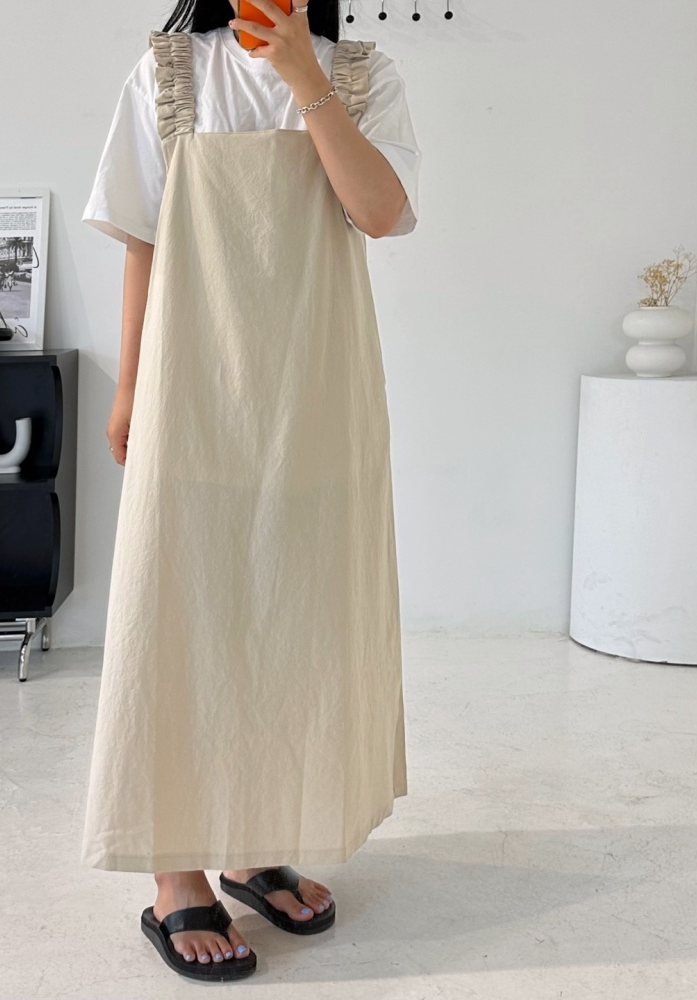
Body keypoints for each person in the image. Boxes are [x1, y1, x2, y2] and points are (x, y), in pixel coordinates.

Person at [80, 0, 421, 983]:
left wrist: (306, 75)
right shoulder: (169, 72)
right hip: (192, 390)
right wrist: (130, 386)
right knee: (179, 620)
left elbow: (380, 213)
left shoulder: (361, 72)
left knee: (293, 620)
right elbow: (143, 239)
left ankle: (254, 842)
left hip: (316, 396)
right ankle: (175, 870)